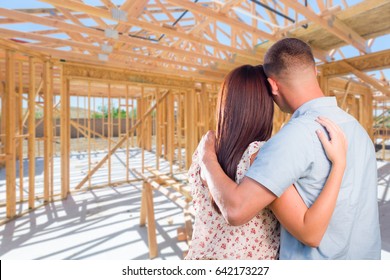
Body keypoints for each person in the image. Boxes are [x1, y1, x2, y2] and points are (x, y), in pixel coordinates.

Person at [197, 38, 381, 260]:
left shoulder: (291, 138)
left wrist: (207, 157)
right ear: (314, 70)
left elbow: (236, 210)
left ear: (273, 85)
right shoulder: (358, 131)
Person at [185, 64, 347, 260]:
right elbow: (310, 233)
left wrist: (207, 158)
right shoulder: (260, 156)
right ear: (264, 106)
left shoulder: (205, 149)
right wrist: (339, 164)